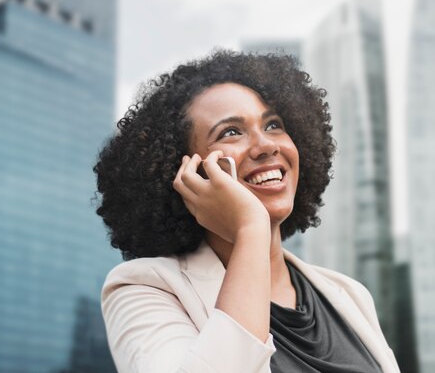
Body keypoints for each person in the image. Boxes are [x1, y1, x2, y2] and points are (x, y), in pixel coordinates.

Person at [94, 50, 400, 373]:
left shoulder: (351, 296)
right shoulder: (142, 289)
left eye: (273, 125)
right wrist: (251, 229)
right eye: (231, 132)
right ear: (185, 171)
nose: (266, 145)